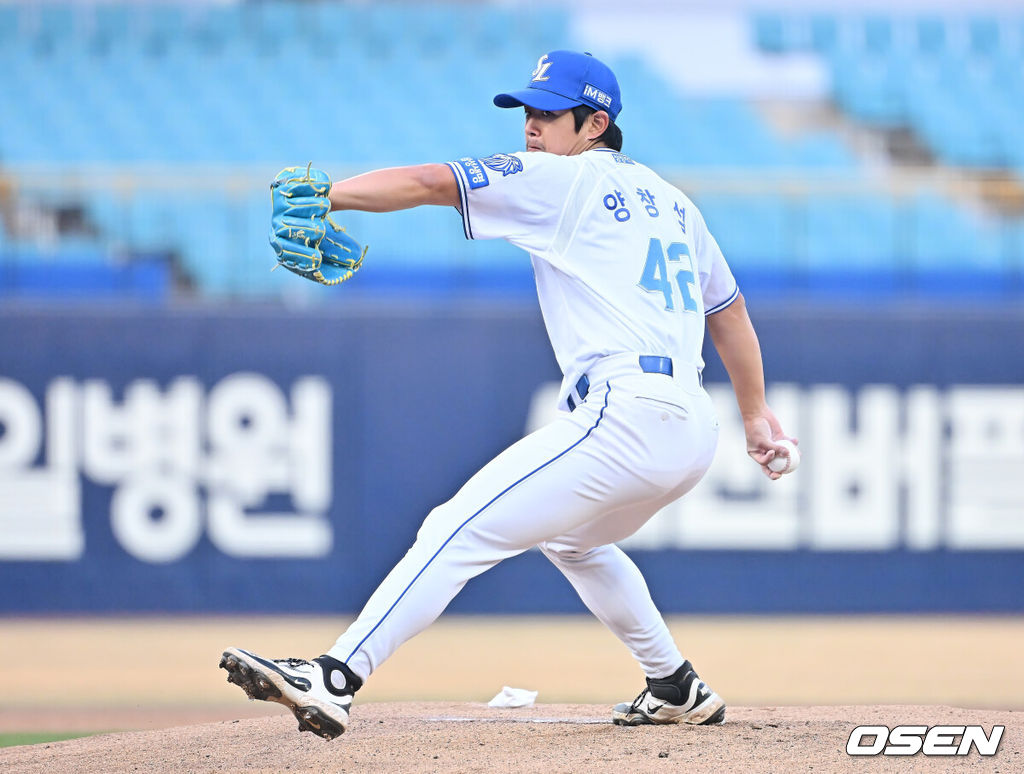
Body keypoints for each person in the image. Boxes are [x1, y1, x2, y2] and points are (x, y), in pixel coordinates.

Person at [220, 49, 796, 740]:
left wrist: (330, 195)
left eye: (549, 113)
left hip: (627, 413)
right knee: (574, 543)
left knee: (456, 526)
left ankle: (334, 676)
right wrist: (755, 414)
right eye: (528, 110)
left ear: (594, 124)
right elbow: (728, 314)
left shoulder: (563, 179)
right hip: (689, 427)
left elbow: (433, 182)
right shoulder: (675, 204)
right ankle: (674, 683)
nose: (532, 125)